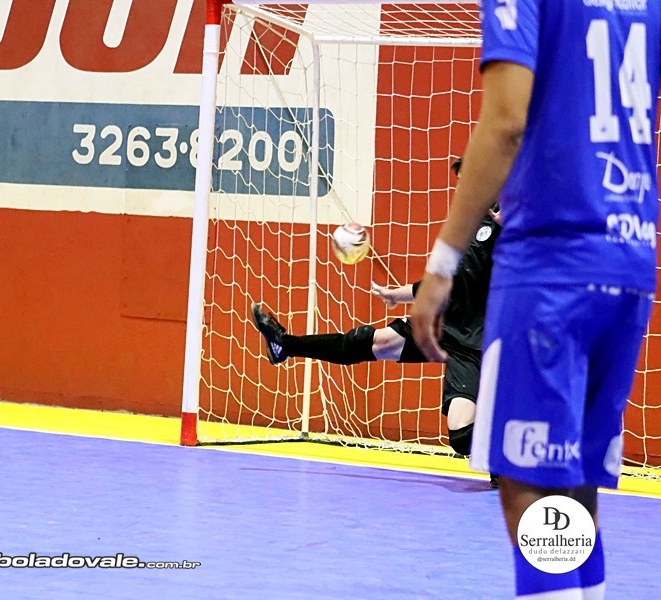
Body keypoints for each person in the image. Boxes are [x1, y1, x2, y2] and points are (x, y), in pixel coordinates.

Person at [410, 2, 660, 598]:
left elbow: (505, 122)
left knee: (525, 485)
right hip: (629, 255)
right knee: (574, 483)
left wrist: (443, 262)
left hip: (552, 262)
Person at [253, 159, 502, 486]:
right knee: (373, 341)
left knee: (461, 436)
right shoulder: (465, 226)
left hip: (476, 343)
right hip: (443, 325)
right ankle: (284, 345)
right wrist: (398, 294)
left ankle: (506, 459)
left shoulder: (510, 226)